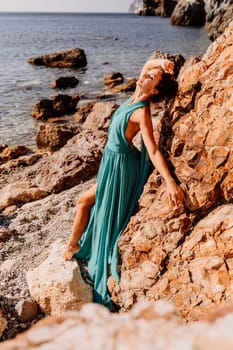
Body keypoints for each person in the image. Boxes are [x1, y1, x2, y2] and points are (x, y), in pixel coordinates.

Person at [63, 58, 185, 309]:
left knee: (84, 201)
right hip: (111, 162)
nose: (145, 75)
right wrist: (161, 63)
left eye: (151, 77)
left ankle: (73, 246)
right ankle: (76, 245)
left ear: (154, 91)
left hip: (121, 168)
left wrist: (170, 182)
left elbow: (152, 151)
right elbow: (148, 65)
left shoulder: (141, 111)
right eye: (147, 74)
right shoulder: (137, 91)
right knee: (90, 203)